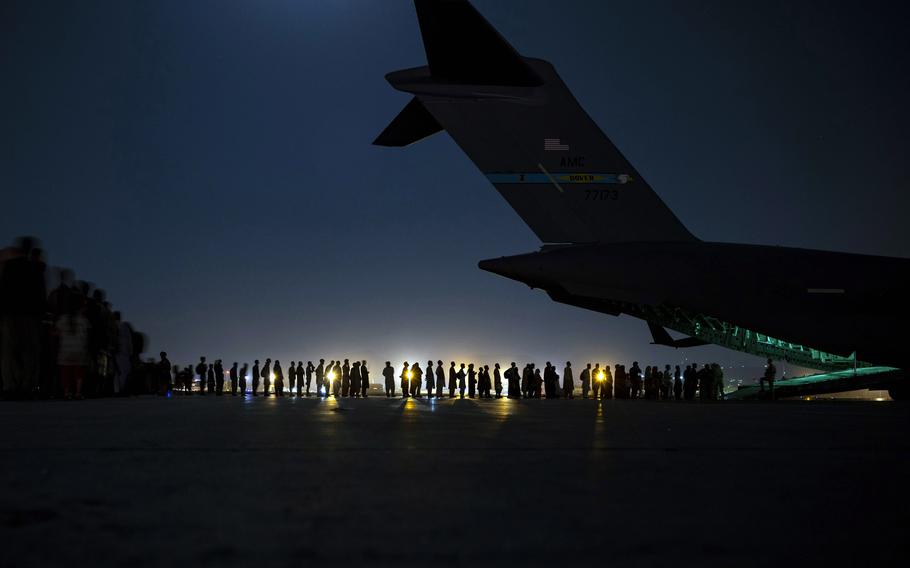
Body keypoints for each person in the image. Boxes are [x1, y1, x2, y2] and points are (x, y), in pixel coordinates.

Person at [54, 304, 89, 400]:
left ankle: (67, 392)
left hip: (65, 349)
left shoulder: (62, 319)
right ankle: (78, 392)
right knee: (79, 372)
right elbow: (87, 332)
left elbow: (56, 332)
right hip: (79, 349)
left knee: (66, 372)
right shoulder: (83, 320)